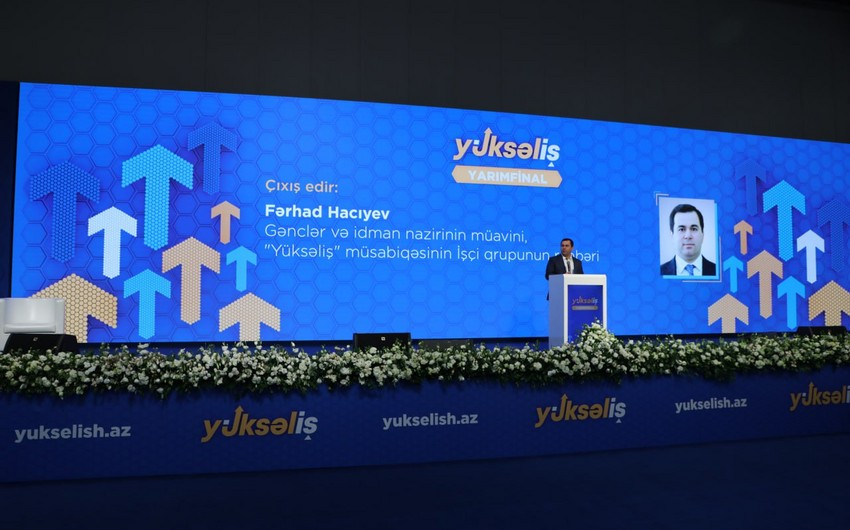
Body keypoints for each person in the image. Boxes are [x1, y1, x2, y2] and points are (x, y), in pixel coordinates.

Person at [660, 203, 717, 276]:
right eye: (681, 229)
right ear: (672, 235)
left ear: (702, 234)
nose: (688, 236)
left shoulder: (718, 271)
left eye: (694, 229)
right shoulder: (660, 272)